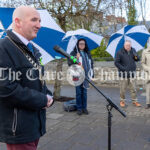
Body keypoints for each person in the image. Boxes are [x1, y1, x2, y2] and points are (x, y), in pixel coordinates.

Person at [0, 6, 54, 150]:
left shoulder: (32, 49)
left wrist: (48, 94)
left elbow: (37, 79)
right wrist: (42, 99)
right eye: (34, 20)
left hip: (34, 124)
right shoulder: (3, 48)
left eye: (40, 20)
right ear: (18, 22)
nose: (39, 25)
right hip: (18, 128)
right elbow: (7, 89)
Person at [68, 39, 94, 115]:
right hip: (77, 76)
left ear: (85, 45)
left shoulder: (87, 53)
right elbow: (70, 63)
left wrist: (91, 75)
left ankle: (84, 108)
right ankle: (79, 108)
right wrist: (76, 58)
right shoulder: (73, 53)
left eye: (83, 43)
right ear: (77, 44)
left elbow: (91, 63)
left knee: (84, 93)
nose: (82, 45)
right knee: (79, 93)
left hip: (85, 76)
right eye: (80, 43)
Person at [115, 40, 141, 107]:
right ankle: (122, 101)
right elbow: (116, 63)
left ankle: (135, 101)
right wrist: (123, 69)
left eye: (129, 45)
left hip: (132, 73)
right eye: (127, 45)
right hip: (124, 75)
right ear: (124, 46)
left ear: (130, 45)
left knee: (133, 89)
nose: (128, 47)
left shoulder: (133, 50)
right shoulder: (120, 52)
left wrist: (136, 55)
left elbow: (137, 59)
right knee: (123, 89)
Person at [141, 44, 150, 109]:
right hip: (149, 74)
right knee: (148, 89)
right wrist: (147, 68)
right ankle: (148, 103)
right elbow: (142, 63)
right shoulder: (145, 51)